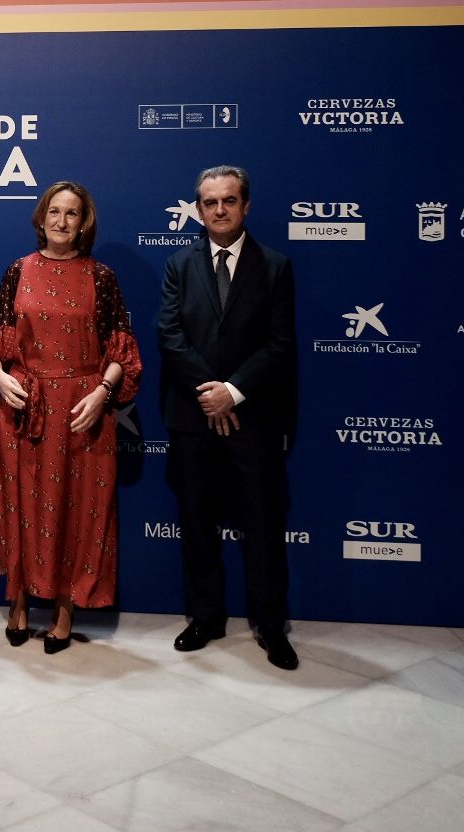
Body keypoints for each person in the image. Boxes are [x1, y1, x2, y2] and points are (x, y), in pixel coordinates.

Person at [0, 181, 141, 654]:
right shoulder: (16, 272)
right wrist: (0, 375)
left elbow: (120, 350)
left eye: (72, 214)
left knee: (77, 508)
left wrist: (105, 392)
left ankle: (66, 609)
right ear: (40, 218)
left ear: (84, 223)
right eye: (54, 212)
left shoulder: (101, 277)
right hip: (25, 407)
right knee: (22, 506)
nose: (61, 221)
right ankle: (19, 602)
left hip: (83, 410)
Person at [157, 164, 300, 670]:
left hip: (253, 418)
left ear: (246, 205)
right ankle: (205, 617)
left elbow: (279, 344)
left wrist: (233, 392)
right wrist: (210, 394)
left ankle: (270, 624)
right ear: (198, 209)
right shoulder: (178, 264)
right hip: (193, 417)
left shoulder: (276, 266)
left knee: (262, 525)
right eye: (210, 202)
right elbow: (170, 336)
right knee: (197, 523)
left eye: (229, 200)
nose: (220, 209)